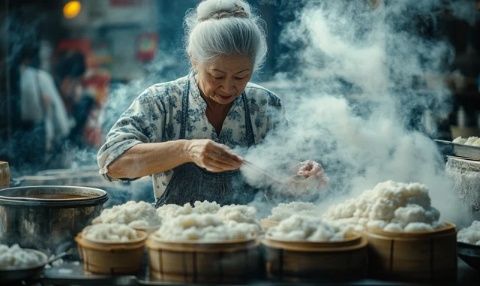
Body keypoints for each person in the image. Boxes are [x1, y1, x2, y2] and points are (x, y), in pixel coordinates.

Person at [97, 0, 326, 206]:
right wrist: (187, 149)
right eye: (217, 76)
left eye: (241, 76)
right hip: (180, 242)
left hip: (251, 237)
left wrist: (303, 176)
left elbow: (284, 178)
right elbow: (112, 162)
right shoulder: (162, 101)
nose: (228, 88)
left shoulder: (265, 104)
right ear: (194, 60)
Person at [16, 45, 71, 168]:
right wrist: (62, 133)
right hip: (39, 140)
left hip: (15, 142)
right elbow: (60, 119)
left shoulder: (9, 79)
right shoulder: (40, 77)